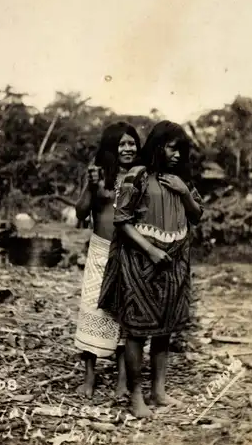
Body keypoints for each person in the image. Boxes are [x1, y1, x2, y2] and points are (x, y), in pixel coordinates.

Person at [98, 120, 204, 417]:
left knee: (164, 330)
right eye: (172, 148)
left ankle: (158, 392)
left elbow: (197, 215)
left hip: (175, 263)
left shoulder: (183, 179)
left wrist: (184, 192)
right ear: (158, 146)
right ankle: (135, 396)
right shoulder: (138, 175)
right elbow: (122, 220)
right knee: (136, 331)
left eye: (181, 149)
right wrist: (151, 249)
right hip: (141, 261)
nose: (178, 155)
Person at [74, 121, 142, 398]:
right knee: (93, 309)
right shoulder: (98, 173)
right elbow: (80, 213)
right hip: (101, 250)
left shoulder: (141, 175)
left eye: (131, 143)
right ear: (112, 147)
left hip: (130, 253)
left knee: (125, 316)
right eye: (122, 143)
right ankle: (89, 378)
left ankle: (122, 381)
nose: (128, 148)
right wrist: (92, 188)